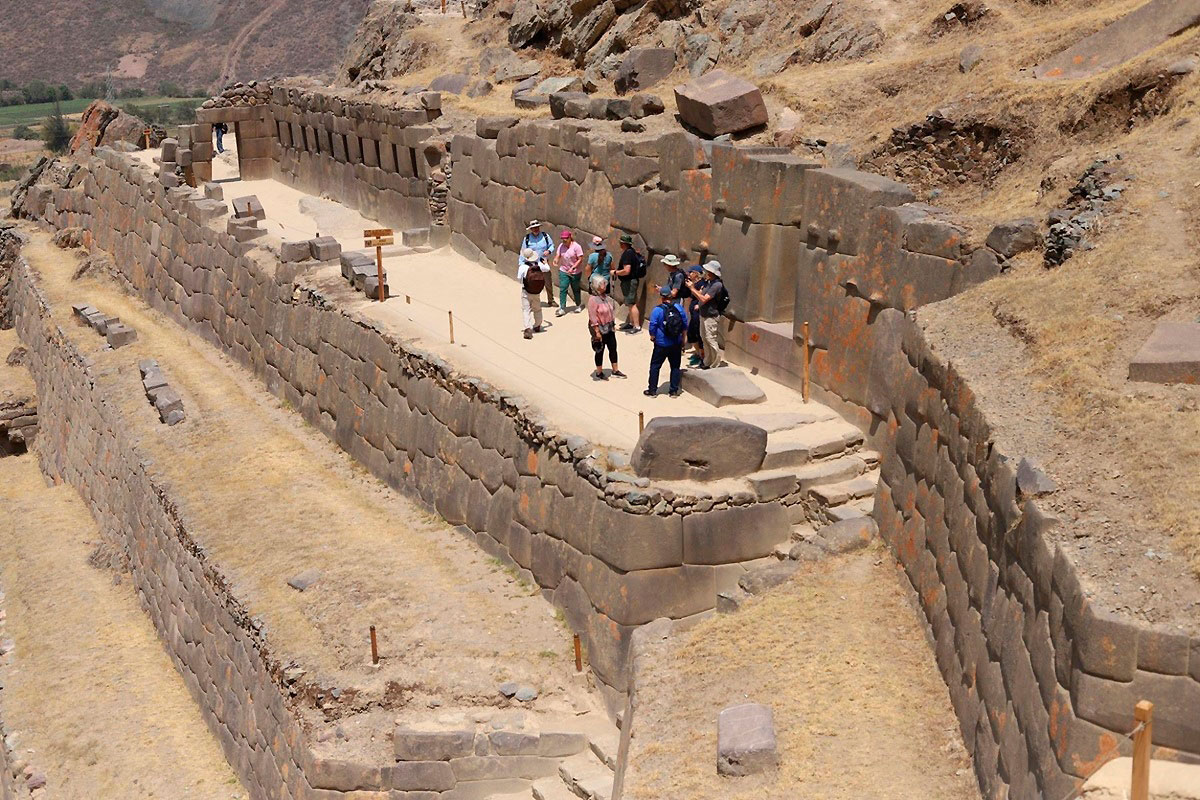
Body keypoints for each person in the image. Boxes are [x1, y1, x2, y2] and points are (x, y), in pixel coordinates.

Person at [645, 285, 688, 398]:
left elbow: (653, 325)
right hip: (676, 343)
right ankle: (673, 391)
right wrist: (683, 340)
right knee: (675, 367)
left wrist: (652, 336)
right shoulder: (679, 308)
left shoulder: (657, 310)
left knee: (655, 366)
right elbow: (684, 325)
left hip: (661, 343)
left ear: (661, 297)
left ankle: (652, 390)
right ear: (671, 296)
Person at [685, 259, 727, 369]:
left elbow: (704, 299)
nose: (706, 272)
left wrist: (692, 288)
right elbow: (701, 295)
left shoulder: (717, 285)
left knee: (711, 339)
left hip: (711, 317)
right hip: (703, 315)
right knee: (704, 339)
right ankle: (707, 361)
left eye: (708, 271)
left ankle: (715, 363)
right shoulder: (709, 283)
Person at [587, 275, 626, 380]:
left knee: (613, 348)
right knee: (600, 350)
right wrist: (597, 332)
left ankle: (615, 370)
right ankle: (599, 372)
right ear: (597, 286)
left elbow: (611, 311)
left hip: (609, 327)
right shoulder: (593, 300)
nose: (605, 285)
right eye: (603, 284)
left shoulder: (605, 297)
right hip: (599, 328)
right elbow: (592, 317)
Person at [519, 220, 556, 308]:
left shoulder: (545, 236)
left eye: (537, 227)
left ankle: (551, 300)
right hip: (531, 264)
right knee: (531, 282)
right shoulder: (527, 238)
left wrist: (549, 251)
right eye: (533, 228)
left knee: (548, 281)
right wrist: (521, 263)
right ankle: (530, 301)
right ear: (531, 229)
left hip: (543, 262)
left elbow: (552, 245)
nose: (536, 229)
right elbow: (523, 251)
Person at [614, 233, 645, 334]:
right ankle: (631, 324)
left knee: (632, 304)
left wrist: (615, 272)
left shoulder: (627, 254)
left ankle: (637, 327)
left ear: (623, 244)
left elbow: (627, 270)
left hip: (629, 281)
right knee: (630, 303)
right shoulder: (632, 252)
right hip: (630, 281)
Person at [517, 247, 550, 339]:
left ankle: (528, 328)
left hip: (526, 291)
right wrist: (546, 262)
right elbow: (547, 269)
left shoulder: (523, 267)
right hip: (536, 292)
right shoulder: (539, 265)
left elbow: (519, 278)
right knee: (537, 309)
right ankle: (537, 325)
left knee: (526, 310)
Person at [553, 229, 585, 316]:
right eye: (563, 238)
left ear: (570, 237)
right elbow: (558, 255)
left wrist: (573, 267)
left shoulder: (576, 247)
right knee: (563, 288)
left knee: (575, 289)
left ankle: (578, 305)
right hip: (564, 270)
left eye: (566, 238)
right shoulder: (561, 246)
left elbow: (580, 259)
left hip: (575, 272)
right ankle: (562, 308)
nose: (564, 240)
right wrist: (556, 260)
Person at [684, 264, 705, 367]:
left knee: (698, 335)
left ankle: (702, 357)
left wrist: (692, 288)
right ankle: (697, 354)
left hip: (698, 313)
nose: (689, 274)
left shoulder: (702, 284)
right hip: (693, 313)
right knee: (691, 334)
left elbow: (701, 296)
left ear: (696, 274)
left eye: (691, 272)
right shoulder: (693, 283)